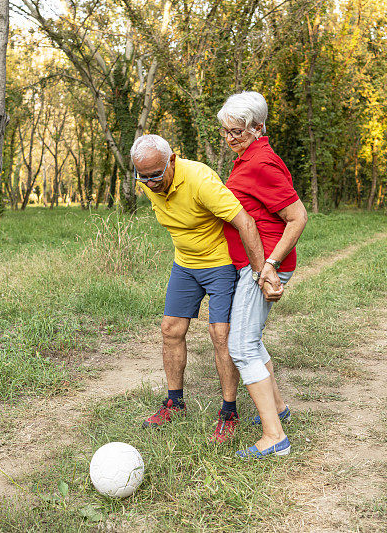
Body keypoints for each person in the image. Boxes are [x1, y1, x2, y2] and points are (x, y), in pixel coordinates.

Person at [131, 134, 272, 443]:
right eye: (143, 177)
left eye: (156, 175)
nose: (150, 183)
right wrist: (150, 180)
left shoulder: (199, 180)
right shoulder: (149, 180)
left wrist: (263, 271)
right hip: (185, 264)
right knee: (170, 329)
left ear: (172, 160)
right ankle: (175, 403)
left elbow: (244, 222)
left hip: (220, 263)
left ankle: (228, 412)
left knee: (220, 335)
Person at [217, 91, 308, 458]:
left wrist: (268, 265)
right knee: (250, 339)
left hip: (260, 268)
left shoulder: (261, 163)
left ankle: (275, 436)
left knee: (240, 346)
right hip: (249, 266)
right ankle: (279, 407)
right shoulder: (247, 157)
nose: (229, 138)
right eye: (225, 131)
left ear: (258, 127)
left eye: (236, 131)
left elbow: (297, 217)